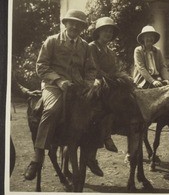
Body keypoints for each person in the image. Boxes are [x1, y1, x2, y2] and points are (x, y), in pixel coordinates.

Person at [24, 9, 93, 180]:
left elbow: (91, 69)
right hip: (53, 85)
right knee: (52, 110)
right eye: (72, 22)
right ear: (65, 23)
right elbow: (41, 66)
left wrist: (88, 83)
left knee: (97, 109)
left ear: (82, 27)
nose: (75, 26)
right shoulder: (52, 41)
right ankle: (37, 157)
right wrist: (58, 80)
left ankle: (92, 152)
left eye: (79, 24)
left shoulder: (84, 45)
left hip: (78, 86)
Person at [85, 16, 120, 176]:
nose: (108, 33)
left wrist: (119, 79)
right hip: (94, 81)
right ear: (98, 32)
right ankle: (104, 138)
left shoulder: (111, 52)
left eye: (111, 31)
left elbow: (114, 69)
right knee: (101, 105)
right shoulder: (92, 47)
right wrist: (108, 78)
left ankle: (114, 131)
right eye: (105, 30)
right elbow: (94, 68)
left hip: (108, 82)